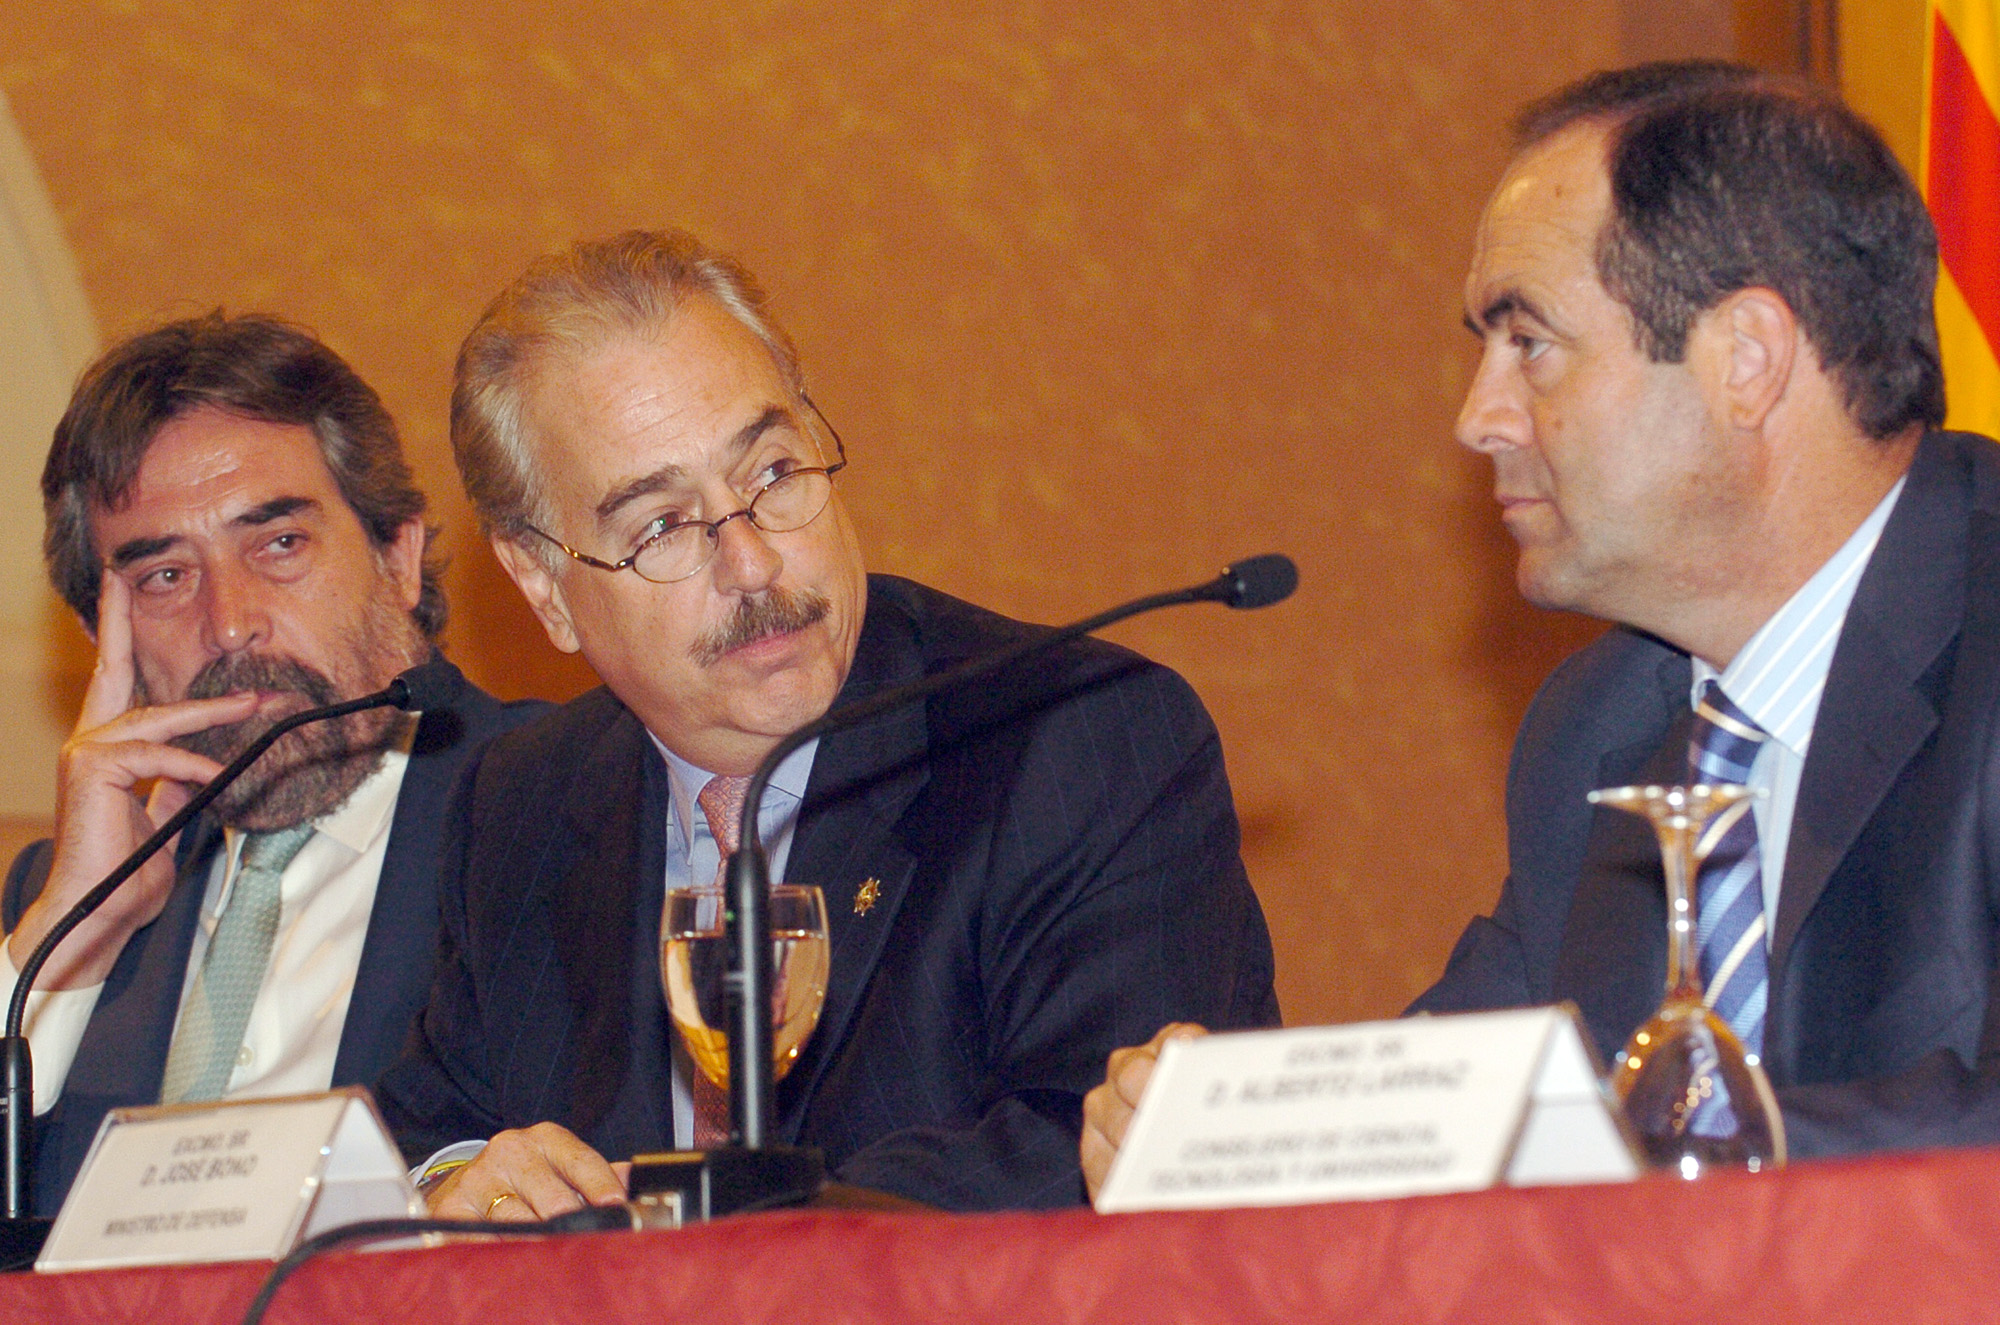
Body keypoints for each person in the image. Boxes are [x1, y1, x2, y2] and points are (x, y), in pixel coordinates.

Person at [1083, 59, 2000, 1198]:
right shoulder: (1597, 728)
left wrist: (1660, 1149)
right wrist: (1230, 1129)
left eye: (1529, 342)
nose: (1477, 418)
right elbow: (1465, 1102)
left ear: (1747, 361)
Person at [373, 228, 1279, 1217]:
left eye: (771, 472)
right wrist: (455, 1187)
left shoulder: (1078, 741)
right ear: (543, 585)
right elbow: (425, 1136)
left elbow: (1091, 1146)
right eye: (661, 526)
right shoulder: (522, 800)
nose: (753, 561)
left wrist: (687, 1225)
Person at [0, 313, 544, 1215]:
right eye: (165, 576)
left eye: (279, 543)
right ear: (106, 643)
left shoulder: (563, 807)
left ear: (398, 557)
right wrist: (68, 931)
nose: (229, 622)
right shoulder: (56, 909)